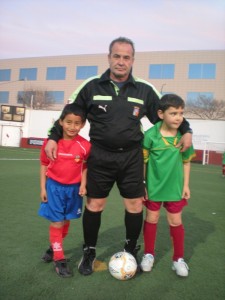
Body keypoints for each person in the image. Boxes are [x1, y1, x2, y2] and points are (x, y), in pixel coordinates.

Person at [45, 37, 193, 276]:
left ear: (132, 60)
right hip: (100, 156)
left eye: (126, 57)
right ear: (109, 57)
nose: (121, 61)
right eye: (117, 56)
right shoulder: (91, 86)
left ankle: (131, 249)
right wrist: (53, 136)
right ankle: (89, 251)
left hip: (132, 157)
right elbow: (68, 114)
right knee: (95, 204)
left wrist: (187, 131)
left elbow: (164, 114)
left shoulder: (144, 89)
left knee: (134, 205)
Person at [140, 94, 195, 277]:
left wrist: (186, 185)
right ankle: (148, 254)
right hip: (154, 187)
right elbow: (144, 162)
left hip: (175, 188)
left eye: (181, 113)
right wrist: (143, 184)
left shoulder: (184, 137)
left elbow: (186, 162)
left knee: (176, 221)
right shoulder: (150, 135)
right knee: (152, 218)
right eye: (173, 113)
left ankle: (178, 259)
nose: (178, 117)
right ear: (161, 114)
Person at [39, 103, 91, 278]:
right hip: (54, 188)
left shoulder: (85, 145)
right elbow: (44, 165)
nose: (72, 127)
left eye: (77, 123)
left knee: (66, 222)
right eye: (68, 122)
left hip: (74, 190)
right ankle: (59, 260)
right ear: (61, 122)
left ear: (83, 124)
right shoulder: (50, 143)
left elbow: (85, 167)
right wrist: (42, 188)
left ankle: (54, 246)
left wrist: (83, 184)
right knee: (57, 223)